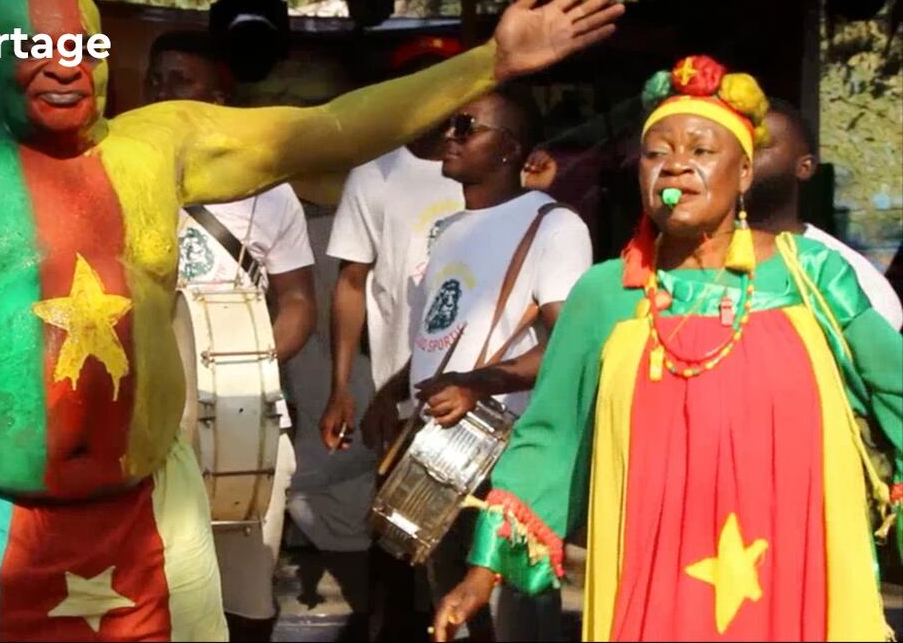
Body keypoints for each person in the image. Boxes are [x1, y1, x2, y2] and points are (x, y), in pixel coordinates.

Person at [0, 0, 624, 641]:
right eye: (36, 50)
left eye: (80, 49)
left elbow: (324, 130)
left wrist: (487, 64)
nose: (62, 67)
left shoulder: (159, 142)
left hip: (142, 508)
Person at [432, 55, 903, 642]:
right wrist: (481, 574)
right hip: (653, 573)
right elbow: (551, 436)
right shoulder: (605, 295)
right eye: (656, 153)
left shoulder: (814, 278)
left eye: (701, 150)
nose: (676, 165)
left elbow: (895, 392)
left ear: (744, 172)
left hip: (795, 570)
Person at [366, 89, 592, 641]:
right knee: (452, 616)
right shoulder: (448, 229)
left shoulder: (553, 226)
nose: (450, 135)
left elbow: (570, 344)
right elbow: (440, 336)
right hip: (444, 449)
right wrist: (391, 393)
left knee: (513, 618)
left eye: (467, 126)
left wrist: (477, 384)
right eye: (451, 124)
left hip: (510, 457)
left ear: (509, 148)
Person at [145, 30, 317, 641]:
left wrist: (248, 367)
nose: (162, 92)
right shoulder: (122, 177)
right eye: (154, 79)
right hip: (147, 419)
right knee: (150, 599)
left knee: (245, 601)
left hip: (244, 419)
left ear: (218, 97)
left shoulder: (268, 190)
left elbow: (299, 302)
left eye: (180, 80)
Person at [319, 36, 466, 454]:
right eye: (416, 82)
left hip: (480, 385)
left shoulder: (489, 166)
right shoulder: (373, 175)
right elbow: (351, 283)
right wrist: (341, 387)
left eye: (442, 80)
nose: (431, 93)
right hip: (400, 396)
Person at [748, 98, 903, 329]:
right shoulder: (693, 256)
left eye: (759, 145)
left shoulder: (855, 281)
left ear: (805, 167)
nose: (741, 157)